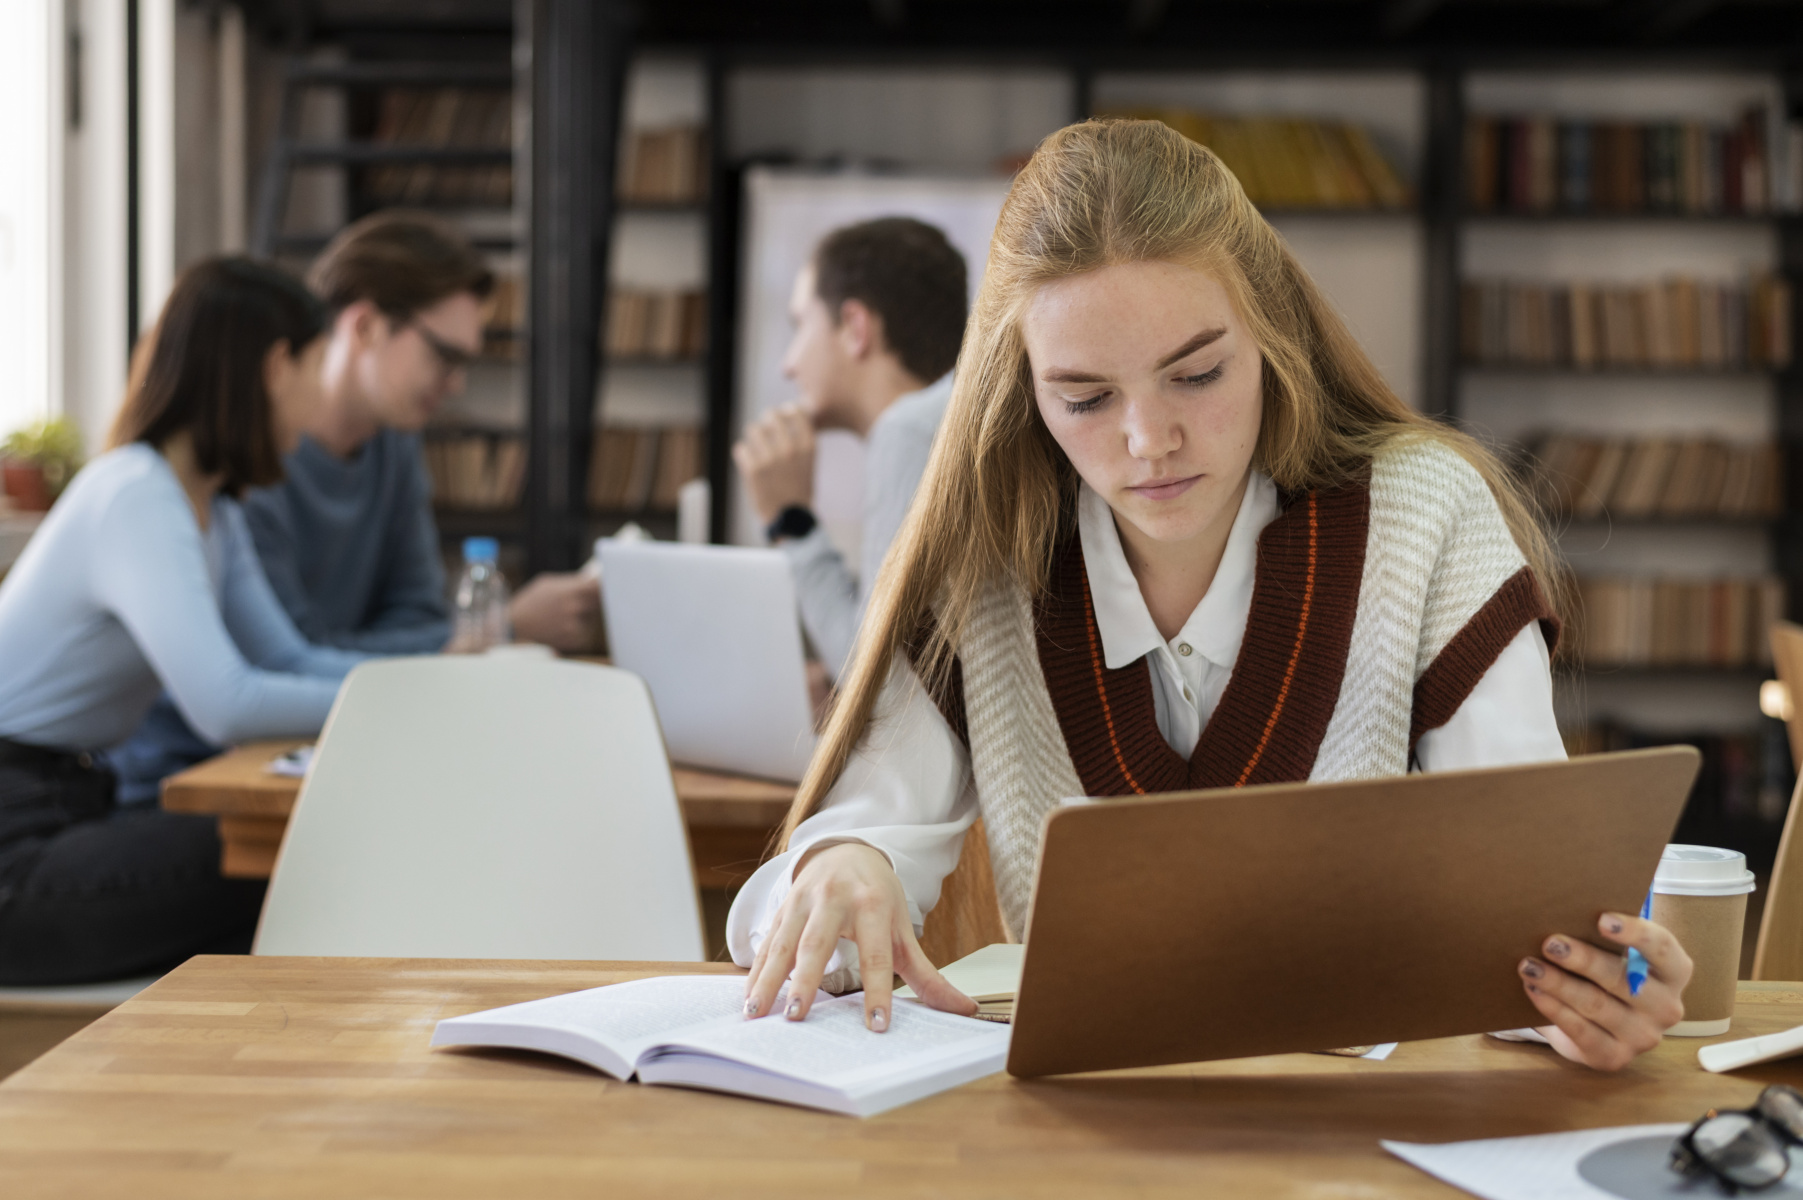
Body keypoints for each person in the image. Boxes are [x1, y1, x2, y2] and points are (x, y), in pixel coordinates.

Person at [728, 119, 1692, 1073]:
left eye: (1196, 374)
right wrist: (843, 867)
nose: (1149, 440)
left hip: (1365, 1150)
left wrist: (1581, 997)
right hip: (1086, 1140)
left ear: (1269, 337)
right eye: (1085, 397)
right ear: (1023, 389)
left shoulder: (1425, 515)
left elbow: (1527, 907)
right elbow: (837, 873)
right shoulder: (983, 551)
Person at [111, 211, 600, 802]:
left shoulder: (392, 449)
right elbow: (267, 676)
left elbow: (406, 624)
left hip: (317, 751)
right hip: (211, 774)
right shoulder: (229, 475)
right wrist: (473, 643)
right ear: (363, 327)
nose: (456, 385)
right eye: (445, 356)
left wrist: (432, 656)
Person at [0, 258, 365, 983]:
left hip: (69, 810)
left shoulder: (213, 510)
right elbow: (226, 703)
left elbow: (288, 658)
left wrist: (429, 685)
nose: (322, 401)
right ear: (273, 366)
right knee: (307, 848)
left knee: (300, 853)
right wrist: (394, 706)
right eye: (317, 369)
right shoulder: (138, 495)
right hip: (14, 843)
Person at [733, 217, 968, 680]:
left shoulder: (909, 431)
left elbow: (877, 683)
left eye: (800, 325)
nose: (788, 365)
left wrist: (790, 518)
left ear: (854, 328)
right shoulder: (947, 422)